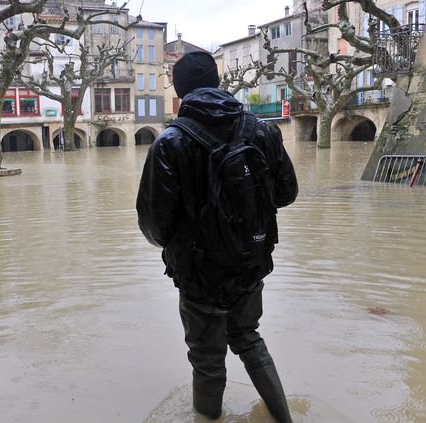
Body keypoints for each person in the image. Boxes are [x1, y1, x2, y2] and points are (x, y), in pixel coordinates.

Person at [136, 51, 298, 422]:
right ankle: (285, 419)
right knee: (249, 337)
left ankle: (207, 418)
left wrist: (184, 240)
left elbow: (153, 224)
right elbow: (287, 193)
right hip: (250, 261)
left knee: (207, 360)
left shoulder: (170, 142)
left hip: (198, 270)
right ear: (218, 82)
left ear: (179, 89)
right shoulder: (262, 130)